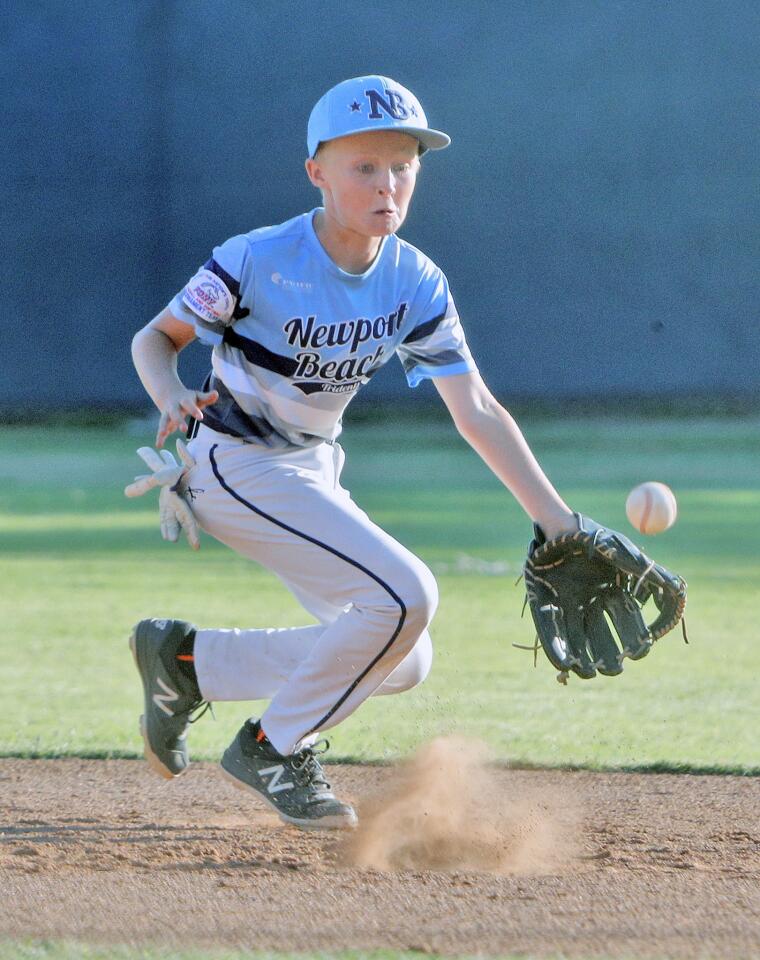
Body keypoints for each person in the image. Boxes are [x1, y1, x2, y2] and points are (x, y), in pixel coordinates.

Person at [128, 75, 580, 831]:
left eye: (403, 164)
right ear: (317, 172)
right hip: (230, 466)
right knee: (406, 594)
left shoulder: (413, 279)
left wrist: (558, 522)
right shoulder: (257, 258)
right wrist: (169, 393)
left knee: (401, 655)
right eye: (364, 165)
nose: (387, 183)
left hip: (310, 468)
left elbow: (476, 409)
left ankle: (189, 663)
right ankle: (273, 745)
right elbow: (154, 338)